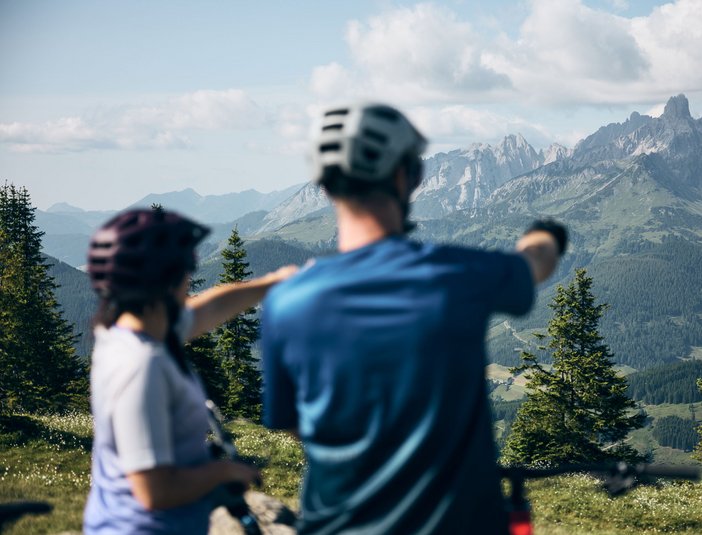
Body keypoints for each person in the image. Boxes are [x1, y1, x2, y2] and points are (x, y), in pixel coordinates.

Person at [261, 102, 566, 534]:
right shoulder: (453, 276)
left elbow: (290, 421)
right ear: (406, 177)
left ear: (325, 188)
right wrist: (547, 234)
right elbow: (535, 264)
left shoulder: (286, 303)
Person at [83, 208, 296, 534]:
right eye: (186, 269)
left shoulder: (137, 332)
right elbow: (154, 490)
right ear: (164, 280)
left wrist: (273, 283)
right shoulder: (139, 366)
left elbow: (209, 308)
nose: (189, 279)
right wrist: (224, 472)